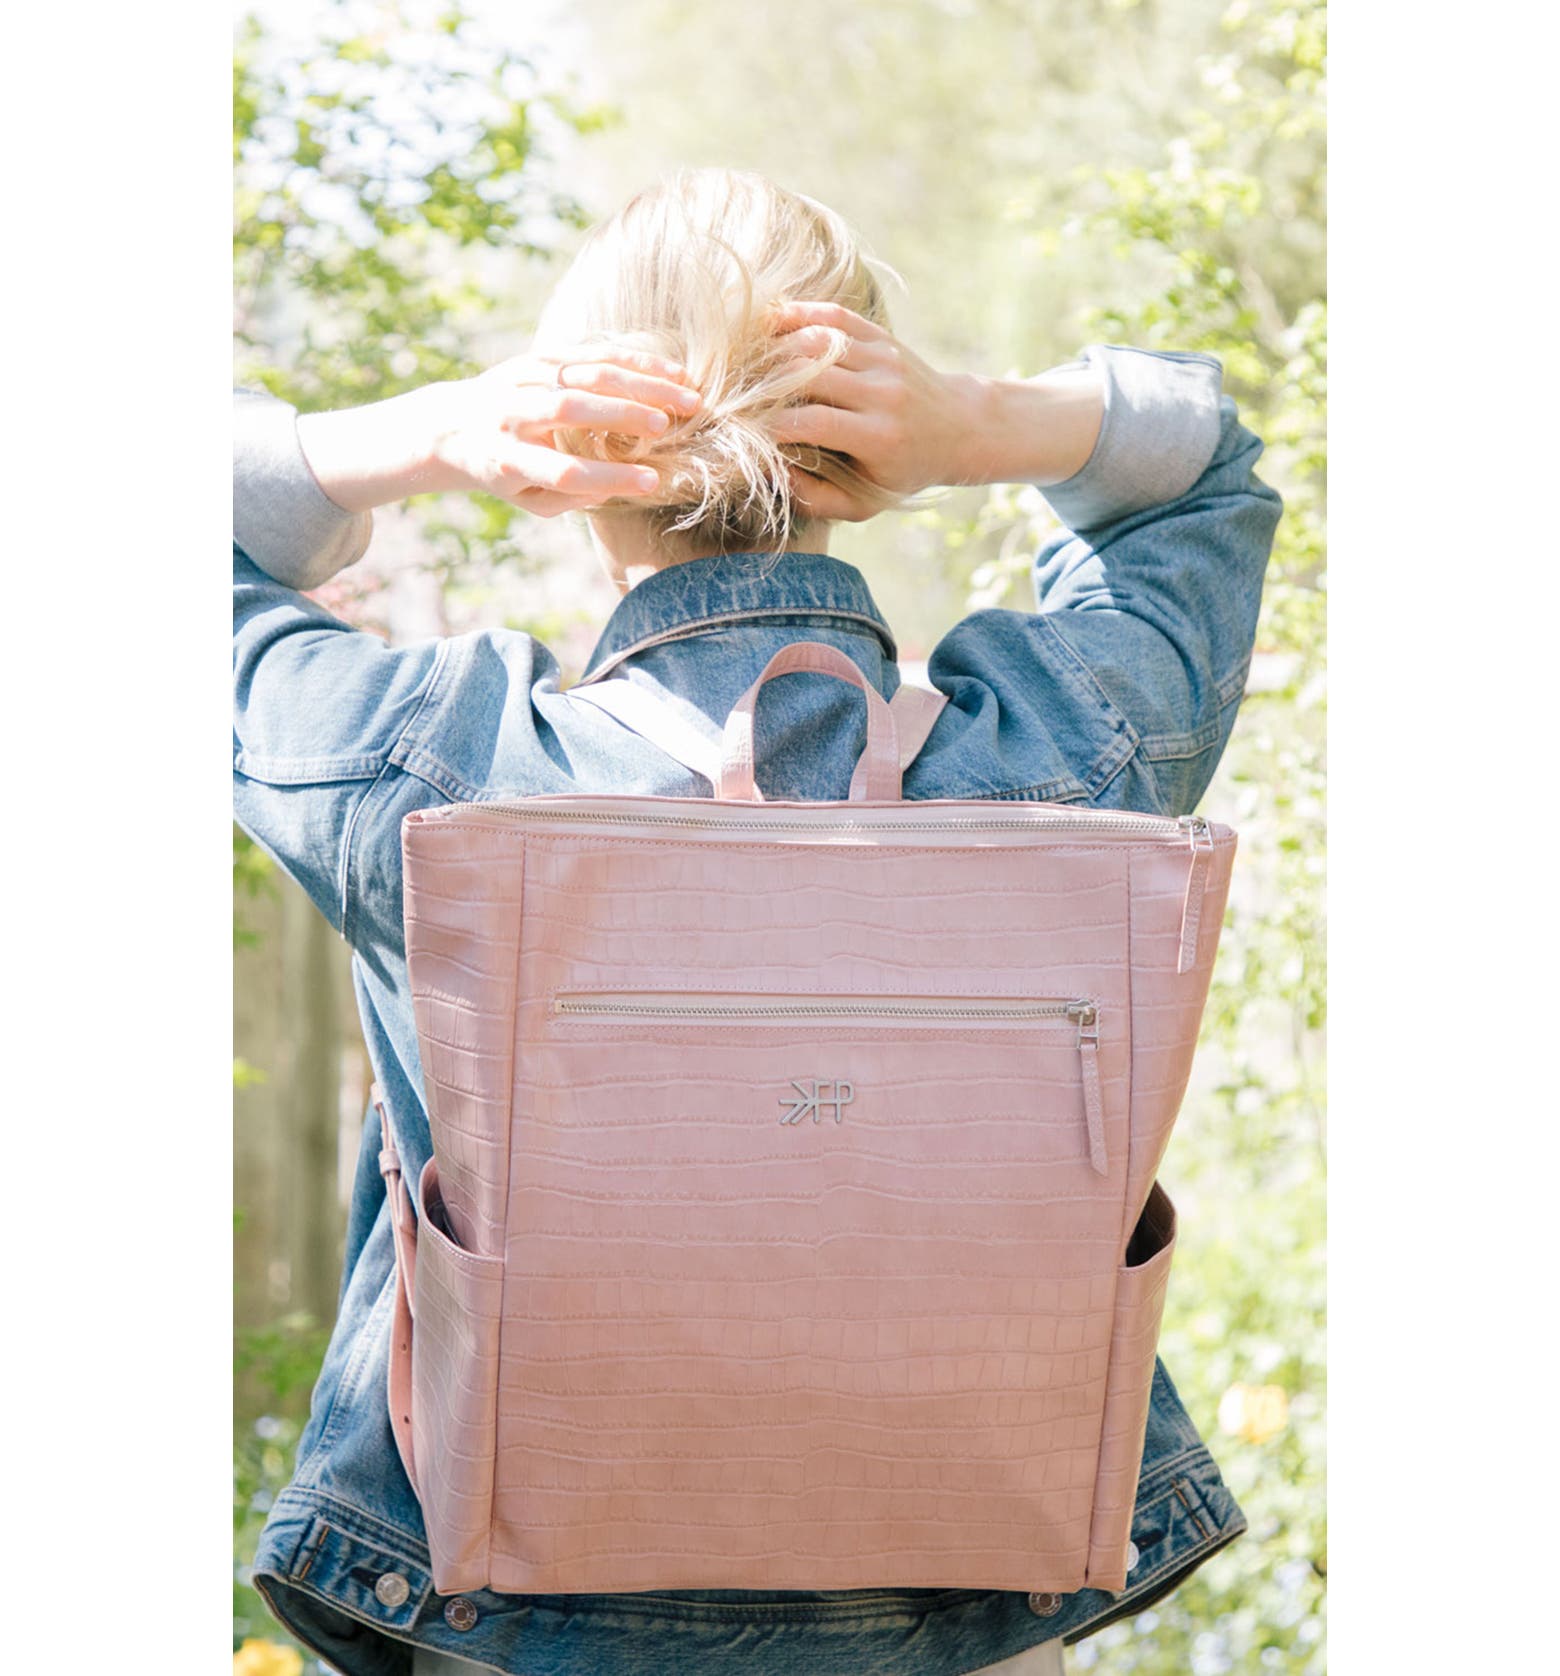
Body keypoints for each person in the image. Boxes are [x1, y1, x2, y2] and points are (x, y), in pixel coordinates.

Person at [235, 166, 1281, 1676]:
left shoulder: (436, 768)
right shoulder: (1067, 752)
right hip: (966, 1590)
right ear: (869, 450)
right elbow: (1205, 469)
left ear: (578, 468)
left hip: (508, 1604)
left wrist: (426, 438)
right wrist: (985, 426)